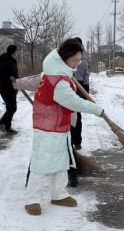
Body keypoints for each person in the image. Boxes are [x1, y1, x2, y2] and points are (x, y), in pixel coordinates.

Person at [24, 38, 105, 216]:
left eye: (78, 60)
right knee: (41, 162)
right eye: (74, 60)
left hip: (59, 125)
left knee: (61, 161)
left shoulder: (57, 73)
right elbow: (74, 102)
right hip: (47, 127)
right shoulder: (58, 80)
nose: (76, 64)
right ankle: (32, 199)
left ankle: (58, 194)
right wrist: (96, 109)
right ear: (64, 57)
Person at [68, 37, 90, 187]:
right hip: (76, 84)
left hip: (77, 85)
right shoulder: (82, 55)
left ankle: (75, 141)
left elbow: (85, 72)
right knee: (75, 114)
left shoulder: (80, 56)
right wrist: (86, 91)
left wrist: (85, 90)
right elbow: (86, 74)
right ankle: (76, 142)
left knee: (75, 114)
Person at [0, 44, 20, 133]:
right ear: (14, 52)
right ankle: (1, 123)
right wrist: (21, 80)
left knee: (10, 108)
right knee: (12, 108)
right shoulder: (9, 62)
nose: (17, 53)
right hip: (8, 88)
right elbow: (13, 76)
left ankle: (7, 126)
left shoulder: (5, 60)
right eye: (16, 52)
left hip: (5, 87)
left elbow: (11, 75)